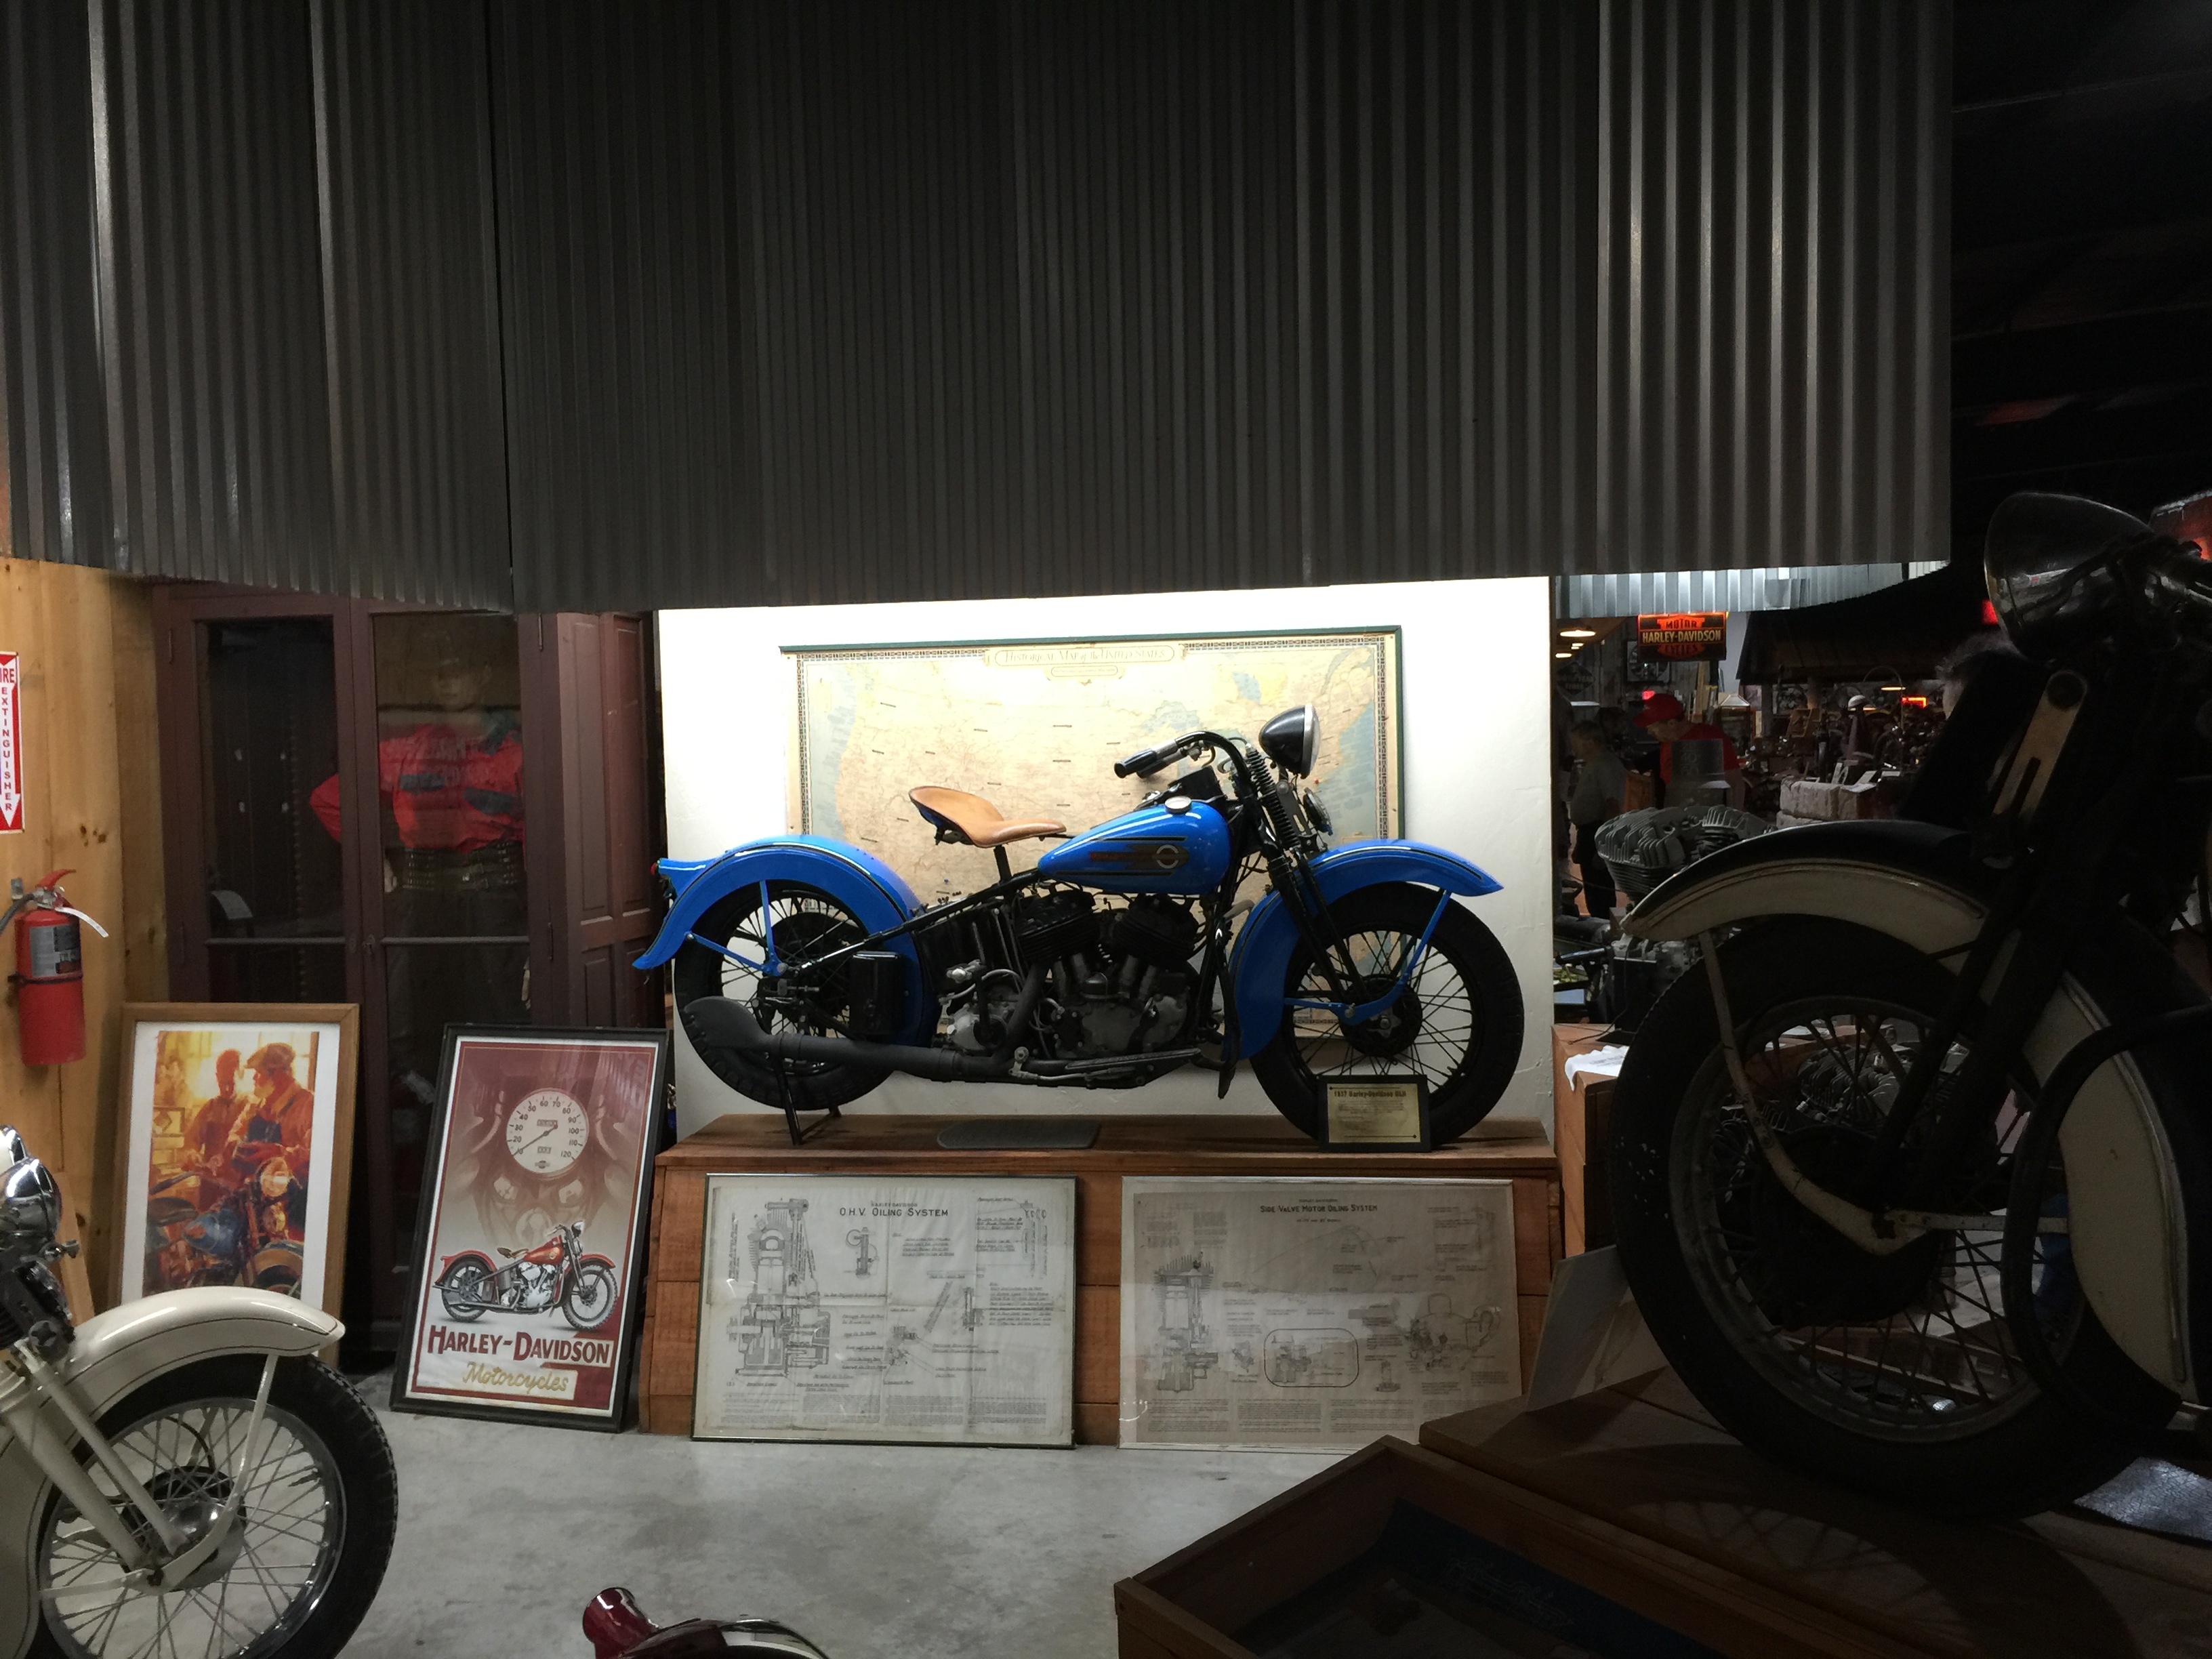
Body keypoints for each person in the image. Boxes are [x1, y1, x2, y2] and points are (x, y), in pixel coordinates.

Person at [1634, 690, 1744, 808]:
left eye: (1652, 728)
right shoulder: (1668, 742)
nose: (1649, 732)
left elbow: (1735, 783)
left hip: (1706, 815)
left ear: (1671, 723)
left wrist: (1734, 814)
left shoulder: (1708, 738)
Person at [1567, 720, 1626, 916]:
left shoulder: (1606, 765)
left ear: (1590, 742)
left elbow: (1612, 806)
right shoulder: (1595, 764)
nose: (1574, 748)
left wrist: (1603, 847)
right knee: (1593, 891)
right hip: (1589, 833)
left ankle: (1603, 926)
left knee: (1600, 892)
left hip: (1597, 832)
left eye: (1576, 743)